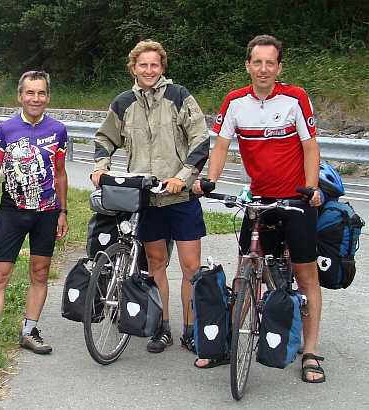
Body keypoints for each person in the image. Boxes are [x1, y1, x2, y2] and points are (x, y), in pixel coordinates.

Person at [192, 35, 325, 382]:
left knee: (307, 274)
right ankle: (232, 343)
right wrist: (210, 179)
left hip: (296, 200)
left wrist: (311, 188)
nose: (263, 69)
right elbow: (221, 144)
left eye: (270, 63)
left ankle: (309, 352)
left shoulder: (295, 97)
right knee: (245, 269)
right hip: (260, 201)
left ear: (279, 67)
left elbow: (310, 147)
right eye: (257, 62)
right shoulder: (235, 101)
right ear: (247, 65)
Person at [90, 40, 210, 355]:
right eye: (142, 65)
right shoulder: (123, 102)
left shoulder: (179, 96)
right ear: (133, 68)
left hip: (180, 199)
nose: (148, 70)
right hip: (146, 200)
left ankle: (191, 330)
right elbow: (104, 137)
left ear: (162, 67)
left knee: (190, 267)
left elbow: (200, 138)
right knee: (155, 263)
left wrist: (182, 178)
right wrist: (100, 167)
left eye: (154, 65)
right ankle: (162, 327)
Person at [0, 70, 69, 360]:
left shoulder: (58, 130)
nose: (35, 99)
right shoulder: (6, 130)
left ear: (48, 97)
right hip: (12, 211)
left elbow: (60, 174)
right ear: (20, 96)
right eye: (29, 93)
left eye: (41, 93)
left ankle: (30, 331)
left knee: (39, 272)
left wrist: (63, 211)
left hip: (47, 212)